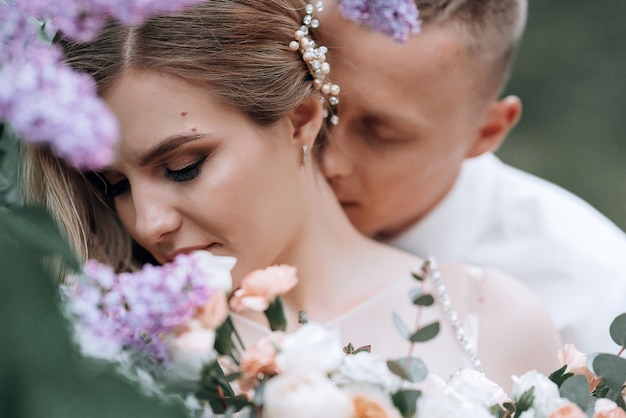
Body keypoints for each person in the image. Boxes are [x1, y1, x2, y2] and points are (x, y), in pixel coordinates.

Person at [21, 0, 560, 389]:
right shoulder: (118, 348)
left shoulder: (494, 318)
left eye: (184, 167)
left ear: (300, 118)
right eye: (115, 185)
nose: (147, 223)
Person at [317, 0, 626, 354]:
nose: (329, 162)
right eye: (315, 111)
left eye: (382, 134)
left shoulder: (597, 294)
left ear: (488, 131)